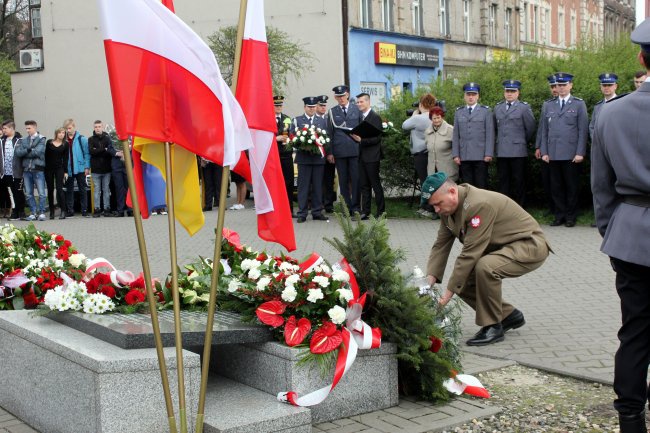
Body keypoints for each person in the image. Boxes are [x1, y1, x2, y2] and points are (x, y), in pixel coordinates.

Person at [591, 19, 650, 433]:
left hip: (631, 236)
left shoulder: (611, 114)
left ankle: (630, 419)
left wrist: (613, 232)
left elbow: (601, 187)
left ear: (640, 57)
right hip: (629, 231)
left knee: (635, 332)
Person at [422, 172, 551, 346]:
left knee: (485, 267)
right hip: (503, 247)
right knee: (464, 281)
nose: (436, 209)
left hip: (529, 245)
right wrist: (426, 284)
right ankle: (508, 315)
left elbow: (469, 253)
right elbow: (440, 246)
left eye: (438, 204)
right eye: (433, 206)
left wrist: (445, 298)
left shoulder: (477, 205)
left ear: (452, 192)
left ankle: (492, 326)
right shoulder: (447, 210)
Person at [539, 72, 588, 227]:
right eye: (558, 85)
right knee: (556, 187)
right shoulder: (548, 105)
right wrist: (544, 151)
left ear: (570, 85)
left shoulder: (579, 104)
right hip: (553, 154)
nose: (561, 88)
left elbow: (583, 130)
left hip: (571, 153)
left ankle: (570, 216)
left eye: (564, 85)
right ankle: (559, 215)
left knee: (571, 187)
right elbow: (544, 131)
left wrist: (580, 152)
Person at [493, 79, 536, 206]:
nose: (510, 94)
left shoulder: (524, 108)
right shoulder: (498, 108)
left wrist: (520, 141)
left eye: (513, 91)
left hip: (518, 151)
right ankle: (503, 208)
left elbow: (530, 128)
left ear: (518, 93)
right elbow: (495, 128)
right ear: (504, 92)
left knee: (519, 181)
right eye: (507, 91)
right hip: (502, 151)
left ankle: (519, 207)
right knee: (503, 181)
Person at [292, 96, 328, 223]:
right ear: (305, 107)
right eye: (309, 107)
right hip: (304, 159)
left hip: (318, 159)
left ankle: (317, 212)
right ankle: (302, 213)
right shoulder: (297, 120)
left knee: (318, 186)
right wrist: (303, 144)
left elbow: (326, 138)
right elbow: (293, 139)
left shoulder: (322, 121)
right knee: (303, 187)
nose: (312, 109)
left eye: (313, 107)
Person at [452, 82, 494, 189]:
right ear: (464, 96)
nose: (471, 97)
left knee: (481, 185)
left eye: (473, 94)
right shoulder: (459, 112)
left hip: (481, 156)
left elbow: (490, 134)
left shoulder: (486, 111)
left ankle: (482, 206)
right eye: (468, 94)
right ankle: (468, 206)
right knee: (467, 186)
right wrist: (456, 154)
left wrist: (488, 153)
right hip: (464, 155)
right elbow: (456, 135)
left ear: (478, 96)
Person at [327, 85, 361, 214]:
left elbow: (361, 128)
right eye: (338, 96)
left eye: (343, 96)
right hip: (339, 151)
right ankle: (346, 207)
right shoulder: (332, 111)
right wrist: (330, 152)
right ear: (335, 97)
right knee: (343, 180)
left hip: (354, 150)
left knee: (356, 179)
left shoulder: (356, 109)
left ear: (347, 95)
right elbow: (330, 133)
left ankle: (356, 207)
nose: (341, 99)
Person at [402, 93, 437, 216]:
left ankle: (428, 207)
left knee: (425, 181)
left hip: (420, 154)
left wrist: (414, 114)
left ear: (421, 104)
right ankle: (429, 206)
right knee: (431, 180)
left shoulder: (418, 118)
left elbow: (404, 125)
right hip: (431, 152)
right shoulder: (435, 116)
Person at [351, 92, 384, 219]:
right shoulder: (361, 117)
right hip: (362, 156)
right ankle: (365, 212)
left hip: (372, 157)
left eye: (361, 102)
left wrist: (361, 140)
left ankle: (381, 212)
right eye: (357, 102)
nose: (359, 104)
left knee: (375, 184)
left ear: (368, 102)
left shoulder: (375, 117)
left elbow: (377, 138)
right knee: (364, 185)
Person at [14, 120, 47, 221]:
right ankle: (33, 212)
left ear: (35, 127)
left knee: (41, 192)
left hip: (38, 169)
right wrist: (29, 150)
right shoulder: (24, 140)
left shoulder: (41, 139)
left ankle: (41, 212)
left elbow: (38, 152)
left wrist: (26, 151)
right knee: (29, 193)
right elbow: (18, 153)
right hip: (26, 170)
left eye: (29, 128)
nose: (27, 130)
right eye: (26, 128)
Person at [63, 118, 91, 218]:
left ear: (74, 127)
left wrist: (87, 167)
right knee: (69, 190)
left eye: (69, 128)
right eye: (66, 128)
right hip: (68, 169)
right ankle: (70, 210)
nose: (68, 130)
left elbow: (87, 153)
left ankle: (84, 210)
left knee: (82, 189)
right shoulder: (63, 139)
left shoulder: (81, 139)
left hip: (80, 167)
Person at [424, 106, 457, 188]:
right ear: (431, 119)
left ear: (442, 117)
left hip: (447, 170)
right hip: (432, 170)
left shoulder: (450, 130)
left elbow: (457, 148)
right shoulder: (427, 131)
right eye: (434, 118)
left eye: (438, 118)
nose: (436, 120)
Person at [273, 95, 295, 216]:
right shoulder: (268, 119)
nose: (279, 107)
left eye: (280, 105)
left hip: (286, 155)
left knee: (289, 183)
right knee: (276, 185)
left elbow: (291, 133)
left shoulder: (287, 118)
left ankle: (289, 210)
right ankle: (277, 211)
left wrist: (290, 139)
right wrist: (276, 138)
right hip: (275, 156)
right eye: (276, 105)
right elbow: (264, 137)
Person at [88, 120, 114, 217]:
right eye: (96, 127)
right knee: (96, 191)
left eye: (99, 126)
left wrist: (97, 150)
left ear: (102, 127)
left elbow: (110, 152)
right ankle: (97, 209)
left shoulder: (108, 138)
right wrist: (104, 149)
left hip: (106, 169)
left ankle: (107, 209)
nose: (97, 128)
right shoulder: (90, 139)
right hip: (95, 170)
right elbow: (91, 152)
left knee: (106, 190)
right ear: (94, 128)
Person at [1, 121, 25, 221]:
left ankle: (21, 211)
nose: (3, 130)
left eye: (5, 128)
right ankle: (15, 211)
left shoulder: (20, 140)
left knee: (19, 191)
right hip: (6, 172)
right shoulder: (2, 140)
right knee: (11, 193)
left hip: (17, 172)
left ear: (11, 128)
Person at [317, 95, 336, 213]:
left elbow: (332, 138)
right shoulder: (313, 119)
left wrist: (331, 153)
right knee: (317, 181)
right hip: (317, 155)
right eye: (321, 105)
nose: (323, 107)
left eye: (325, 105)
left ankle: (328, 205)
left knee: (329, 181)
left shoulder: (330, 119)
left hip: (329, 155)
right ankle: (317, 204)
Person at [44, 127, 68, 219]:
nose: (62, 134)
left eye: (63, 133)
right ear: (56, 134)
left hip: (59, 168)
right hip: (49, 169)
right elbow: (46, 156)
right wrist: (44, 168)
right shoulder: (49, 142)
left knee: (59, 189)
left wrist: (65, 171)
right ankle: (52, 211)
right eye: (60, 133)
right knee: (50, 190)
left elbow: (66, 159)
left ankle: (63, 211)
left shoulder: (65, 144)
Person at [589, 73, 618, 140]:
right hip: (600, 146)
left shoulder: (622, 103)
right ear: (601, 87)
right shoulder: (597, 106)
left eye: (610, 85)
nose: (606, 88)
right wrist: (596, 142)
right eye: (604, 85)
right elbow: (592, 127)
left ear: (615, 86)